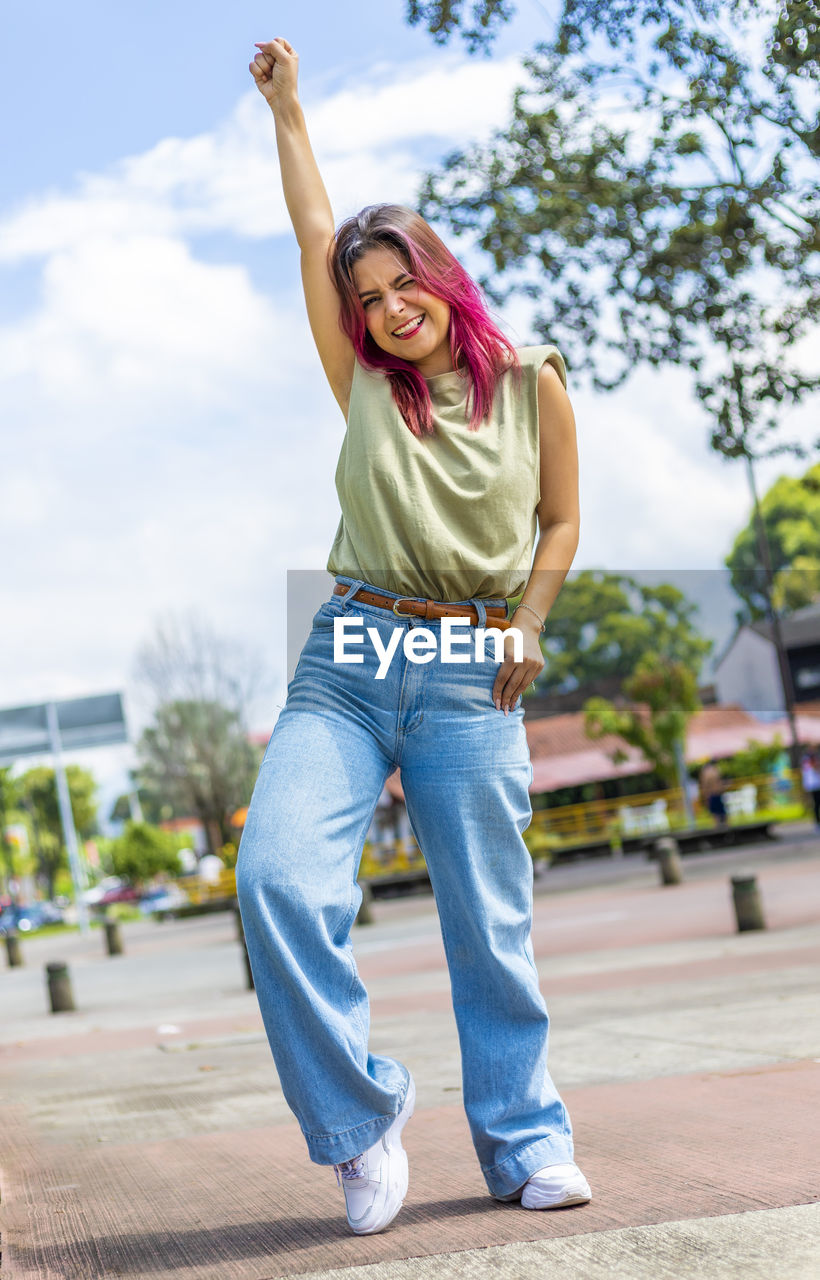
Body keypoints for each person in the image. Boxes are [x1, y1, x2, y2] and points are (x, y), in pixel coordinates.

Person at [236, 36, 590, 1236]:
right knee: (274, 875)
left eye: (404, 287)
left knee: (487, 919)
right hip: (351, 657)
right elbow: (310, 230)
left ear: (443, 277)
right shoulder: (366, 386)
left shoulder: (534, 378)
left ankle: (525, 1135)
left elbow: (560, 519)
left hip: (472, 663)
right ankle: (359, 1125)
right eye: (369, 300)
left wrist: (529, 625)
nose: (388, 313)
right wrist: (290, 113)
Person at [699, 759, 727, 826]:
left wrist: (705, 795)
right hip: (717, 792)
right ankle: (724, 826)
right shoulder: (715, 771)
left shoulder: (706, 773)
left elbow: (705, 784)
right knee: (721, 811)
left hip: (712, 793)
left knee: (716, 813)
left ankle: (718, 826)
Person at [800, 745, 820, 829]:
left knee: (816, 804)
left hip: (814, 784)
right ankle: (817, 822)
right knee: (816, 804)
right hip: (814, 785)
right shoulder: (808, 760)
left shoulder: (809, 760)